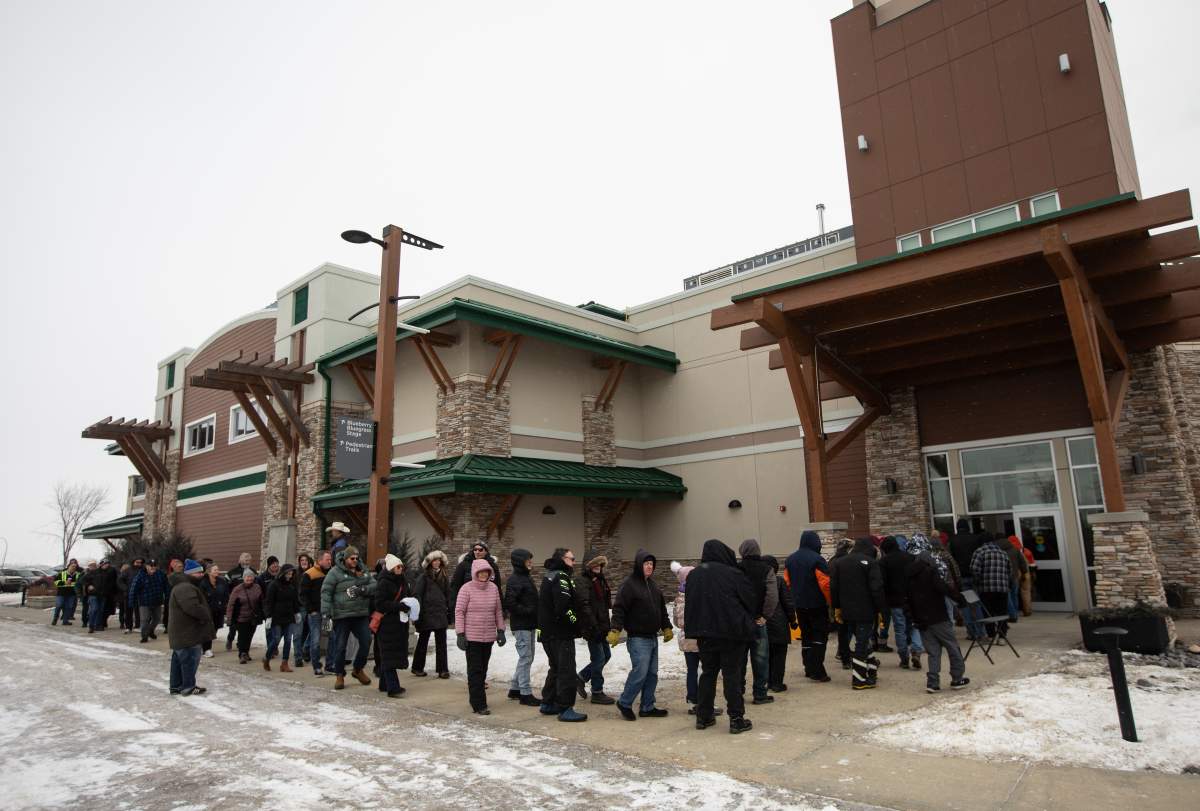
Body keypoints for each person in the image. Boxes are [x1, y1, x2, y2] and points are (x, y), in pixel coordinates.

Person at [685, 539, 756, 734]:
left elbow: (691, 604)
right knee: (731, 674)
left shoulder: (694, 576)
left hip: (705, 634)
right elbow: (749, 600)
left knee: (708, 673)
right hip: (731, 633)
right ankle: (736, 718)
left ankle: (703, 715)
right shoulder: (733, 574)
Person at [608, 549, 672, 720]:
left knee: (652, 674)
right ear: (639, 565)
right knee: (640, 672)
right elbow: (619, 608)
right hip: (638, 639)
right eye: (646, 563)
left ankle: (647, 706)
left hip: (652, 637)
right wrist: (615, 629)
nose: (649, 566)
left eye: (651, 564)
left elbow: (662, 610)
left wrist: (666, 627)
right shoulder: (629, 585)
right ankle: (625, 702)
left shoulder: (653, 585)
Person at [906, 543, 969, 693]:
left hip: (922, 621)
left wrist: (915, 619)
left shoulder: (909, 577)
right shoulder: (931, 573)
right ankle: (957, 678)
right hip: (938, 617)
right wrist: (960, 599)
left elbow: (908, 602)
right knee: (952, 646)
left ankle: (932, 683)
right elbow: (945, 589)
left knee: (933, 652)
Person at [537, 547, 586, 722]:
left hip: (548, 633)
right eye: (571, 559)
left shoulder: (549, 575)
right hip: (560, 633)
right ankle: (566, 708)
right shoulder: (561, 577)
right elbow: (564, 608)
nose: (574, 562)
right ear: (562, 559)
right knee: (566, 670)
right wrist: (577, 623)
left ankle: (548, 703)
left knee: (556, 668)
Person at [830, 538, 885, 690]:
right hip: (866, 610)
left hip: (847, 610)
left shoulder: (839, 563)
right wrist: (880, 609)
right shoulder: (871, 563)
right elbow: (877, 589)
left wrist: (837, 607)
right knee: (861, 642)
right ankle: (859, 679)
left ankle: (871, 669)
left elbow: (833, 587)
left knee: (863, 640)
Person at [455, 558, 506, 714]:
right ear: (475, 573)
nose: (483, 574)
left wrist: (501, 630)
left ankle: (475, 698)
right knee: (475, 670)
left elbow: (498, 611)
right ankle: (479, 704)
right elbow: (459, 611)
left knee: (482, 669)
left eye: (486, 571)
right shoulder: (466, 589)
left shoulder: (493, 589)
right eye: (480, 572)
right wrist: (460, 634)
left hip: (488, 636)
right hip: (472, 637)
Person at [321, 546, 376, 690]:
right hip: (342, 615)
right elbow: (326, 592)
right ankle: (339, 674)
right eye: (352, 558)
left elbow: (374, 585)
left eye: (357, 558)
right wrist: (325, 614)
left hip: (360, 614)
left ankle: (358, 669)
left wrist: (363, 590)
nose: (355, 561)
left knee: (366, 641)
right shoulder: (335, 572)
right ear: (345, 559)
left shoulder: (362, 571)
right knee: (340, 646)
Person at [670, 561, 721, 717]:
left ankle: (695, 701)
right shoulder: (690, 596)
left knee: (693, 671)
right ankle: (703, 703)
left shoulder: (680, 596)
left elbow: (676, 621)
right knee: (704, 671)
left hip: (688, 640)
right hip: (697, 639)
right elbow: (681, 621)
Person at [785, 529, 832, 682]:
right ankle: (818, 670)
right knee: (819, 636)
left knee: (806, 635)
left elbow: (787, 583)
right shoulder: (817, 560)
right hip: (816, 604)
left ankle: (808, 667)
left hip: (799, 604)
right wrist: (830, 602)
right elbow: (825, 584)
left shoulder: (790, 560)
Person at [738, 539, 778, 706]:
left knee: (739, 659)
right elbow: (772, 596)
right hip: (758, 621)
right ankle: (760, 693)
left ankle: (737, 692)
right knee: (760, 659)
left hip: (740, 621)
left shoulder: (736, 568)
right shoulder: (767, 569)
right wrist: (765, 616)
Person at [168, 559, 215, 696]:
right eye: (199, 573)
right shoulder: (185, 587)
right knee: (190, 659)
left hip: (182, 632)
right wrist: (206, 613)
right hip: (187, 632)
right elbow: (192, 607)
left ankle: (176, 686)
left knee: (178, 660)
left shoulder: (184, 585)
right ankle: (188, 686)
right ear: (190, 574)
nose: (202, 575)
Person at [576, 554, 615, 705]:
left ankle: (581, 677)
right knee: (599, 658)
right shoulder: (583, 581)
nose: (598, 567)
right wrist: (594, 627)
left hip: (602, 626)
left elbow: (603, 605)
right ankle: (597, 692)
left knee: (606, 655)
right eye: (595, 564)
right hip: (592, 628)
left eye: (600, 564)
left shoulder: (600, 580)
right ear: (588, 565)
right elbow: (584, 606)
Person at [879, 537, 923, 670]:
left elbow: (883, 583)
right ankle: (916, 649)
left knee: (900, 629)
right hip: (912, 597)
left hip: (894, 600)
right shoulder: (910, 557)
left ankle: (904, 657)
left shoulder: (884, 562)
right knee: (916, 625)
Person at [503, 548, 540, 705]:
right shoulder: (515, 579)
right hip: (521, 625)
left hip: (530, 624)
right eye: (527, 559)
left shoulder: (525, 577)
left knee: (527, 657)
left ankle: (515, 688)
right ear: (519, 562)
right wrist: (527, 611)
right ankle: (525, 693)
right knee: (525, 658)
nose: (530, 562)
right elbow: (510, 603)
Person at [374, 554, 412, 698]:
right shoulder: (383, 582)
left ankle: (384, 684)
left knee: (388, 655)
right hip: (387, 624)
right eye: (397, 566)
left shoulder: (403, 581)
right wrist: (399, 606)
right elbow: (380, 603)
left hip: (399, 624)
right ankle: (393, 687)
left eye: (401, 566)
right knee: (389, 655)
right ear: (390, 568)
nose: (400, 568)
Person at [412, 550, 452, 679]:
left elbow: (448, 596)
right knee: (423, 642)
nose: (437, 562)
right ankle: (417, 667)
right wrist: (418, 614)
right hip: (426, 614)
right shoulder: (423, 578)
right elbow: (417, 595)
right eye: (434, 560)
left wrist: (449, 612)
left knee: (441, 643)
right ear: (430, 563)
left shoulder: (444, 577)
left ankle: (443, 669)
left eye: (439, 560)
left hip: (440, 613)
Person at [764, 555, 798, 691]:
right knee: (779, 655)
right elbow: (787, 603)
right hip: (779, 624)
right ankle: (777, 683)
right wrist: (793, 620)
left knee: (766, 655)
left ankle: (767, 682)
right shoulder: (779, 581)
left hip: (763, 624)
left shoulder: (756, 582)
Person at [949, 519, 986, 640]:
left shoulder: (953, 541)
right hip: (975, 576)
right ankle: (981, 632)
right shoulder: (975, 539)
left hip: (962, 577)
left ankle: (971, 633)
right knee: (976, 604)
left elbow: (952, 561)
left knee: (965, 606)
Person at [970, 534, 1012, 638]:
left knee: (988, 613)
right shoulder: (1003, 553)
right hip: (1002, 588)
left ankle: (991, 635)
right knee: (1002, 612)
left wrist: (978, 581)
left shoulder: (979, 552)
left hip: (986, 588)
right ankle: (1002, 636)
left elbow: (974, 569)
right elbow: (1010, 571)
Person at [264, 564, 302, 672]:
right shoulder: (274, 585)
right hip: (277, 616)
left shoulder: (291, 586)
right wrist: (269, 617)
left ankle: (284, 663)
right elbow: (269, 602)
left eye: (291, 573)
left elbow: (294, 601)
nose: (290, 575)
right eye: (288, 573)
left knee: (288, 640)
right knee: (276, 639)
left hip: (289, 616)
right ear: (283, 573)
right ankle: (267, 658)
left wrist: (297, 613)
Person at [300, 551, 332, 675]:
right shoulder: (309, 574)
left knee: (332, 638)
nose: (330, 561)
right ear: (320, 561)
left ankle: (330, 664)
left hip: (327, 613)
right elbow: (303, 595)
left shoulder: (330, 573)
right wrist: (311, 610)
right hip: (315, 613)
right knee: (316, 640)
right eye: (327, 559)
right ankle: (316, 666)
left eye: (330, 559)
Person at [226, 569, 264, 664]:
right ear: (243, 578)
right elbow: (231, 604)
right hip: (240, 617)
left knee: (249, 636)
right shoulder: (237, 589)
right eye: (247, 576)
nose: (249, 578)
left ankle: (246, 652)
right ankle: (242, 654)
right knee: (242, 636)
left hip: (253, 617)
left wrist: (262, 613)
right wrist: (229, 618)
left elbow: (261, 601)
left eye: (251, 576)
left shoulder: (257, 587)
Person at [450, 541, 502, 610]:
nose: (477, 552)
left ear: (486, 552)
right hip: (469, 605)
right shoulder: (463, 565)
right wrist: (453, 607)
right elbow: (455, 586)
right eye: (475, 549)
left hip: (488, 604)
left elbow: (498, 586)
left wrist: (502, 607)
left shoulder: (492, 566)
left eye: (480, 550)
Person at [129, 559, 169, 643]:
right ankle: (144, 636)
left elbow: (166, 586)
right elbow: (133, 589)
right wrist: (131, 601)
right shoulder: (140, 576)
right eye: (151, 566)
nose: (153, 568)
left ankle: (150, 631)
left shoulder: (160, 574)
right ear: (147, 566)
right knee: (145, 620)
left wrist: (167, 596)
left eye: (154, 566)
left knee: (157, 618)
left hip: (157, 600)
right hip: (144, 602)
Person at [829, 539, 854, 669]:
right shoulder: (849, 562)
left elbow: (831, 585)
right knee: (854, 628)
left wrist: (834, 604)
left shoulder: (832, 561)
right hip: (850, 600)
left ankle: (843, 655)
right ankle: (858, 656)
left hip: (837, 601)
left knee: (842, 630)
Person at [225, 553, 255, 652]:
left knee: (245, 626)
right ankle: (230, 639)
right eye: (245, 559)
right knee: (234, 626)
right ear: (240, 560)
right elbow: (226, 586)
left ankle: (240, 644)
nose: (247, 561)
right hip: (236, 603)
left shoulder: (253, 572)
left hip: (248, 604)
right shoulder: (232, 572)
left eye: (248, 559)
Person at [199, 564, 229, 657]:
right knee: (208, 629)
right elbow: (201, 597)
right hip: (207, 610)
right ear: (209, 571)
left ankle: (203, 646)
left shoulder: (222, 582)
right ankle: (206, 649)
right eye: (215, 570)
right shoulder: (203, 582)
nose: (217, 571)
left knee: (214, 629)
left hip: (218, 610)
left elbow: (225, 594)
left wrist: (224, 604)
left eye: (218, 569)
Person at [1004, 536, 1029, 622]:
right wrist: (1024, 572)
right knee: (1015, 594)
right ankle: (1018, 611)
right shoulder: (1017, 549)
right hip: (1016, 575)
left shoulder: (1001, 550)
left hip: (1005, 576)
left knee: (1008, 595)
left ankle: (1011, 613)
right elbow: (1022, 562)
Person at [51, 560, 79, 626]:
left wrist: (71, 583)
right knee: (59, 606)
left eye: (75, 567)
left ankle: (65, 621)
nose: (73, 568)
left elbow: (78, 583)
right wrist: (64, 583)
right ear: (68, 566)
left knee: (68, 607)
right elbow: (55, 582)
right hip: (61, 593)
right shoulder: (62, 573)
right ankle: (55, 619)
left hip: (71, 594)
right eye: (72, 566)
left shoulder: (77, 575)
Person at [296, 553, 313, 654]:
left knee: (310, 629)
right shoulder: (296, 574)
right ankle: (299, 652)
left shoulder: (312, 573)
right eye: (302, 560)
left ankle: (306, 650)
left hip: (311, 606)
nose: (304, 562)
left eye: (305, 560)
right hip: (300, 606)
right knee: (300, 631)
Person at [126, 558, 145, 632]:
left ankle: (138, 625)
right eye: (137, 562)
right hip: (129, 593)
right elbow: (120, 580)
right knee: (128, 610)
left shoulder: (144, 570)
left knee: (139, 610)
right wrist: (125, 589)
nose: (139, 564)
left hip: (140, 593)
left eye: (140, 562)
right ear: (133, 562)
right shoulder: (128, 570)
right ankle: (128, 626)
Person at [77, 560, 96, 627]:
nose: (93, 567)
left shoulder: (97, 573)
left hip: (93, 594)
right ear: (89, 566)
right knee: (85, 608)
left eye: (94, 565)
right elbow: (79, 583)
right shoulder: (84, 573)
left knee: (93, 608)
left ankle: (91, 621)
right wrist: (79, 594)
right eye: (91, 565)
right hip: (85, 594)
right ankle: (84, 621)